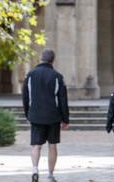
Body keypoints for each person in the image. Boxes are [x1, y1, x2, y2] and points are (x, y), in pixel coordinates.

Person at [23, 49, 70, 182]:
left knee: (36, 145)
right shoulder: (57, 76)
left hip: (36, 115)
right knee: (52, 145)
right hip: (53, 116)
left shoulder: (30, 75)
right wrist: (65, 119)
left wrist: (28, 114)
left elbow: (25, 97)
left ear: (41, 58)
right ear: (53, 60)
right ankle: (50, 175)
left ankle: (35, 170)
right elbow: (62, 100)